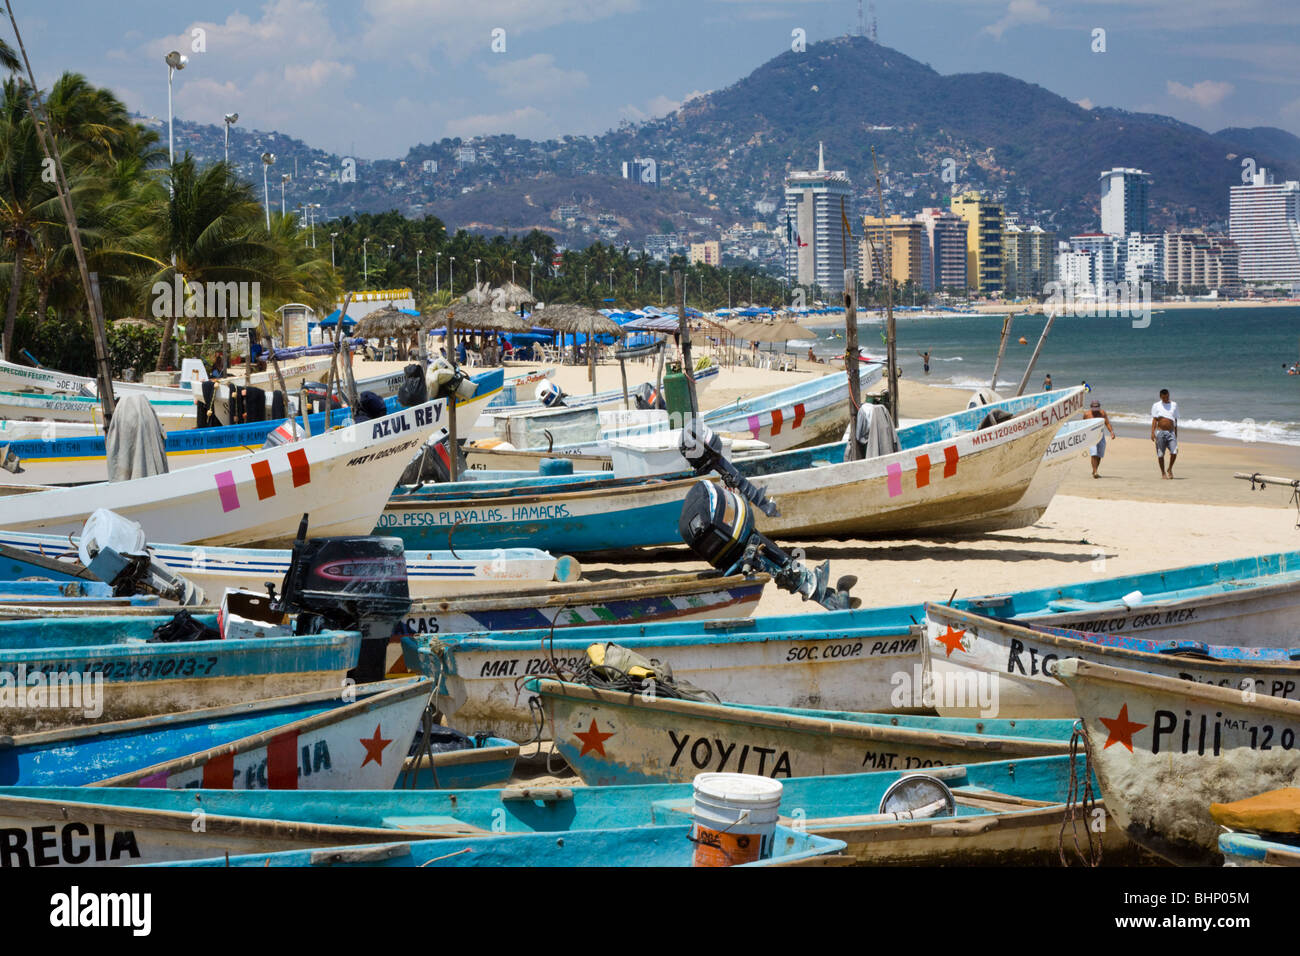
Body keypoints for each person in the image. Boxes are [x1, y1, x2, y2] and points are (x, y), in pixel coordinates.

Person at [1150, 388, 1179, 479]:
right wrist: (1152, 432)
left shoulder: (1174, 405)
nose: (1166, 399)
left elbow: (1176, 419)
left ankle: (1170, 469)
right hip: (1160, 432)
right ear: (1160, 397)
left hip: (1171, 432)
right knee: (1160, 454)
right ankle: (1163, 473)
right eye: (1164, 398)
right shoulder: (1156, 405)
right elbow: (1155, 420)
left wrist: (1176, 433)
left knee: (1174, 451)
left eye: (1167, 397)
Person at [1083, 399, 1116, 479]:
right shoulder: (1087, 414)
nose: (1095, 408)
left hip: (1100, 435)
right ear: (1091, 407)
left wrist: (1111, 432)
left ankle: (1095, 470)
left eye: (1097, 406)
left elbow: (1107, 423)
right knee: (1094, 453)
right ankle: (1095, 472)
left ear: (1099, 406)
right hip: (1091, 436)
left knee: (1099, 454)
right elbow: (1083, 425)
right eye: (1094, 406)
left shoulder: (1102, 413)